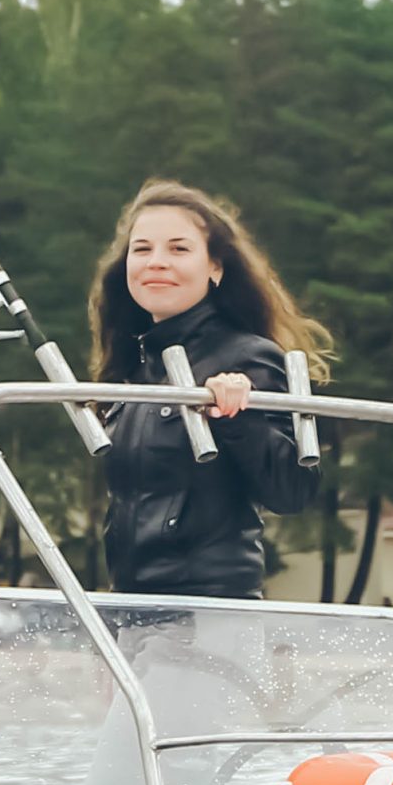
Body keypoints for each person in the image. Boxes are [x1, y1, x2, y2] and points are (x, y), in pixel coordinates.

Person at [90, 179, 330, 598]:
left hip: (211, 614)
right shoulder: (134, 368)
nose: (156, 262)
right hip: (130, 608)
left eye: (179, 249)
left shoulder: (247, 356)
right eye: (142, 249)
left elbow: (293, 490)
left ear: (215, 267)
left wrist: (237, 419)